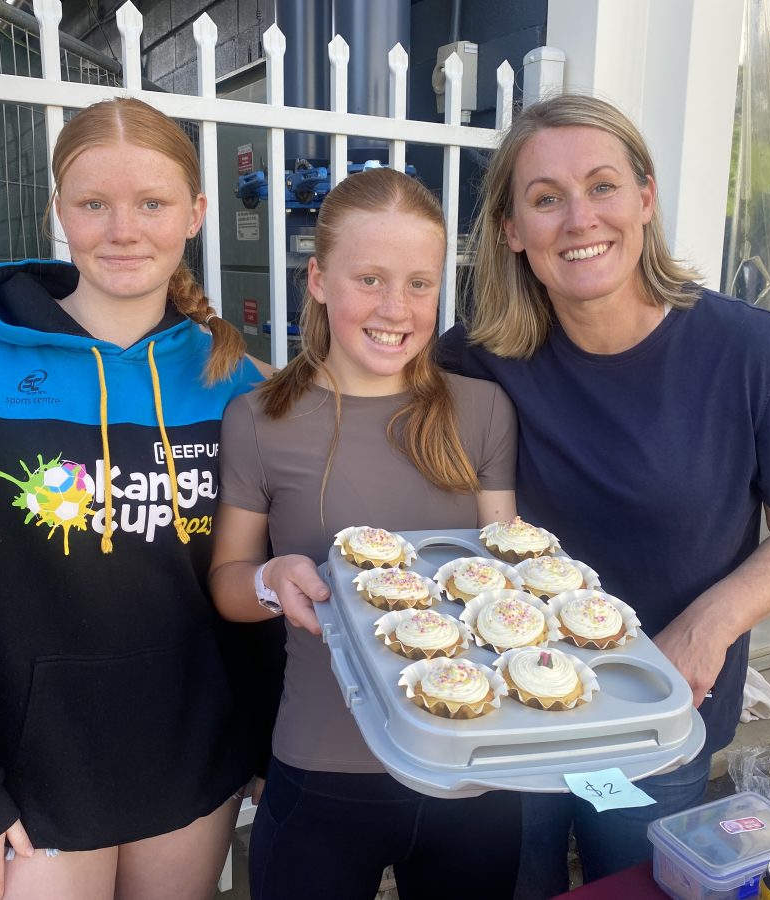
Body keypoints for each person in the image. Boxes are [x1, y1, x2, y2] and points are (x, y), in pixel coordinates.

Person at [438, 94, 770, 897]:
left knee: (631, 879)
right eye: (546, 198)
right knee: (511, 882)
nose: (579, 218)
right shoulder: (476, 358)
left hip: (656, 715)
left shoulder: (754, 354)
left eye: (602, 186)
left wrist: (707, 629)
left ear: (645, 199)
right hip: (512, 714)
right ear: (511, 230)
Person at [0, 98, 270, 900]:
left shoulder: (237, 382)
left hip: (192, 757)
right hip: (32, 779)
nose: (124, 230)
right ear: (58, 212)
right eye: (94, 204)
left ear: (195, 213)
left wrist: (264, 742)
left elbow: (255, 578)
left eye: (152, 203)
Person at [209, 166, 523, 900]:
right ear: (318, 279)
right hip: (322, 770)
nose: (397, 307)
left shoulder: (481, 412)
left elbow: (505, 579)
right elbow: (228, 583)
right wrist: (269, 580)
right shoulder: (260, 420)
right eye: (370, 279)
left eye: (420, 283)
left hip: (471, 766)